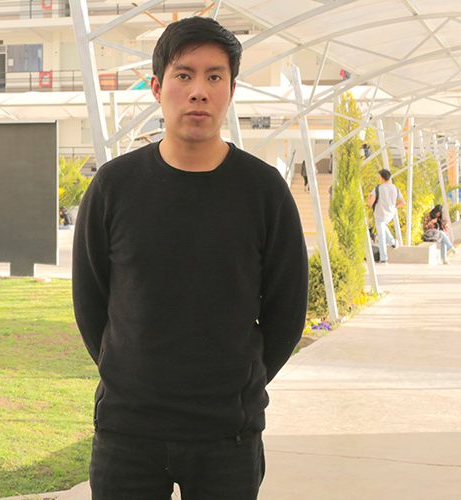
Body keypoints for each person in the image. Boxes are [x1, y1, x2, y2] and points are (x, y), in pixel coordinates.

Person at [73, 17, 308, 500]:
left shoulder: (264, 191)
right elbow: (90, 300)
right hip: (128, 433)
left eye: (214, 76)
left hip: (227, 435)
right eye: (184, 75)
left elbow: (287, 310)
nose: (199, 91)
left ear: (231, 90)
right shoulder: (114, 186)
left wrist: (241, 380)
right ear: (157, 88)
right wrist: (130, 373)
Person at [367, 169, 405, 263]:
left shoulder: (378, 188)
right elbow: (403, 202)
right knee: (383, 227)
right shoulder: (395, 188)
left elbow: (370, 203)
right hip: (390, 214)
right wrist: (394, 206)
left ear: (381, 177)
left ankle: (383, 258)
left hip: (380, 215)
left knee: (381, 236)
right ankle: (393, 242)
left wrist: (369, 198)